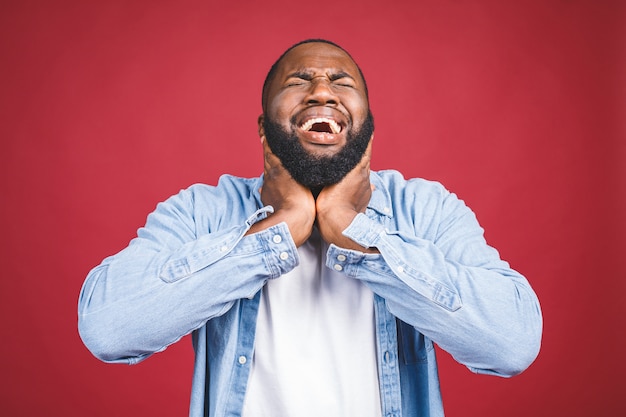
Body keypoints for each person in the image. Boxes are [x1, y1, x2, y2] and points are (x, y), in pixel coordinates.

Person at [78, 39, 542, 417]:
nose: (322, 91)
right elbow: (109, 329)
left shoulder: (424, 208)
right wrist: (278, 230)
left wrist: (355, 229)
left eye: (340, 81)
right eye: (300, 81)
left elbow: (510, 344)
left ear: (367, 129)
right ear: (264, 129)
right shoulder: (203, 210)